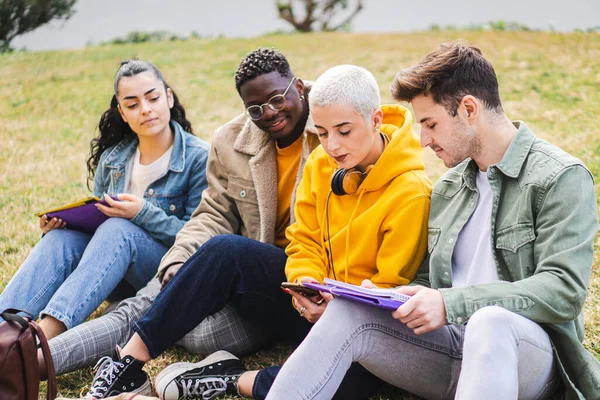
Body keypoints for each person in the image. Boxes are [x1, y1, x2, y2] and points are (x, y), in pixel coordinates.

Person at [265, 42, 600, 400]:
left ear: (468, 109)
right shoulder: (449, 187)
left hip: (527, 359)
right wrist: (386, 297)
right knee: (351, 308)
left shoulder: (560, 177)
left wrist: (451, 303)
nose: (423, 140)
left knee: (490, 321)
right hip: (448, 350)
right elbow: (429, 279)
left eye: (430, 124)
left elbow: (563, 291)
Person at [39, 48, 322, 396]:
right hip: (251, 282)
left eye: (278, 99)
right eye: (256, 108)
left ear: (299, 87)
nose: (270, 113)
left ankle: (191, 364)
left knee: (198, 312)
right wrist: (178, 259)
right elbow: (214, 213)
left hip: (304, 282)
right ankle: (29, 360)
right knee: (161, 312)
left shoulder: (332, 127)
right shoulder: (231, 141)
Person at [150, 64, 433, 400]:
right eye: (324, 132)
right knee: (226, 250)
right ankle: (129, 361)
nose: (332, 146)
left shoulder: (412, 193)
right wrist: (306, 287)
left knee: (350, 382)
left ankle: (232, 379)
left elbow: (388, 289)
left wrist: (336, 313)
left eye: (344, 131)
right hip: (313, 304)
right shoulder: (321, 163)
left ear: (375, 120)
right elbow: (304, 240)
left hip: (362, 322)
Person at [0, 60, 209, 340]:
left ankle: (39, 340)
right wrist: (69, 224)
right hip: (111, 274)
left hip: (166, 272)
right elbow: (97, 221)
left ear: (169, 97)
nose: (145, 109)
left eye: (153, 98)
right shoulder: (113, 159)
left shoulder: (199, 157)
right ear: (122, 113)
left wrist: (140, 213)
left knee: (119, 229)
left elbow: (201, 238)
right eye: (132, 105)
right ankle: (5, 328)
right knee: (60, 239)